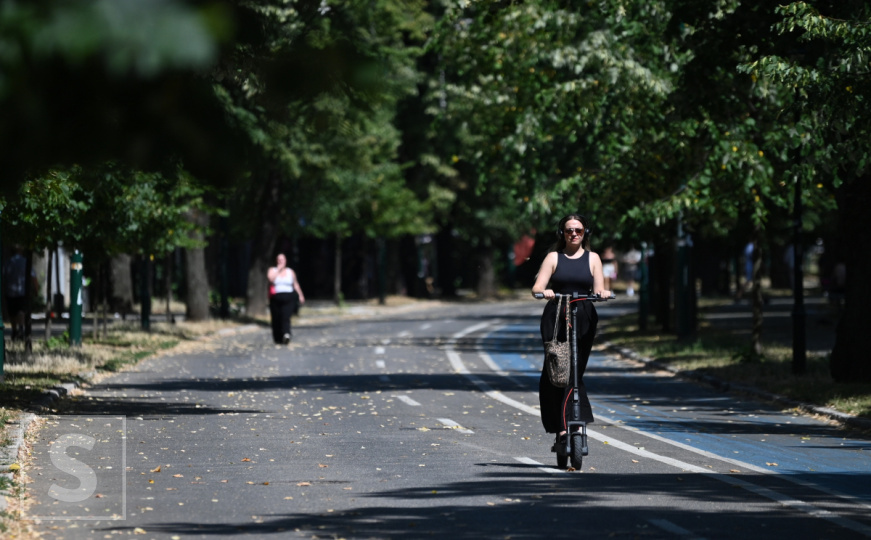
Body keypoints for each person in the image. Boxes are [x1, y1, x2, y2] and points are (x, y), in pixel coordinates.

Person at [531, 214, 609, 446]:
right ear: (562, 233)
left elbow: (599, 289)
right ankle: (561, 428)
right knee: (557, 370)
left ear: (585, 233)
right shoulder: (554, 257)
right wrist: (544, 292)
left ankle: (572, 421)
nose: (573, 234)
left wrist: (602, 293)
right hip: (556, 316)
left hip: (583, 316)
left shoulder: (593, 258)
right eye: (568, 230)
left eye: (578, 230)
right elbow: (537, 286)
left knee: (575, 372)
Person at [267, 253, 305, 344]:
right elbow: (271, 279)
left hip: (289, 297)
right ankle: (278, 338)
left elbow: (295, 284)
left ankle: (286, 334)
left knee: (286, 316)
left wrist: (300, 295)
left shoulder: (290, 271)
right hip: (276, 297)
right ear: (276, 261)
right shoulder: (272, 270)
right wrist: (278, 270)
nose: (281, 261)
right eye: (279, 260)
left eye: (282, 260)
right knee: (276, 318)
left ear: (285, 261)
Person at [3, 246, 37, 341]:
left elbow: (3, 276)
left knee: (12, 312)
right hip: (22, 291)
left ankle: (14, 330)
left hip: (10, 291)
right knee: (21, 310)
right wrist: (36, 290)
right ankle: (21, 328)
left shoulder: (8, 262)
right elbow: (33, 277)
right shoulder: (26, 261)